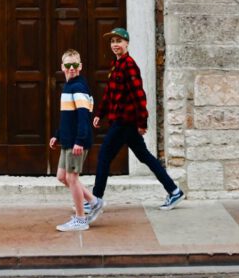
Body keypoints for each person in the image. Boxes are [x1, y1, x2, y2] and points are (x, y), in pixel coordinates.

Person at [87, 27, 184, 224]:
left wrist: (142, 122)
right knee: (145, 157)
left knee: (105, 155)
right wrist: (100, 113)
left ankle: (95, 199)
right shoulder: (116, 65)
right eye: (113, 41)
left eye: (119, 41)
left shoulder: (130, 65)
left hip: (125, 121)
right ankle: (174, 191)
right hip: (120, 120)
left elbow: (140, 96)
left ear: (127, 44)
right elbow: (109, 94)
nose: (115, 44)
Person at [49, 49, 96, 232]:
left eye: (74, 65)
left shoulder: (79, 87)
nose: (71, 69)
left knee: (72, 178)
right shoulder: (68, 86)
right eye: (67, 65)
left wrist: (80, 141)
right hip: (68, 141)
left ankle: (80, 219)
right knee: (62, 177)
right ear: (62, 67)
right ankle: (93, 202)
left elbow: (83, 118)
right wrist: (57, 135)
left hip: (77, 142)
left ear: (80, 67)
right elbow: (68, 118)